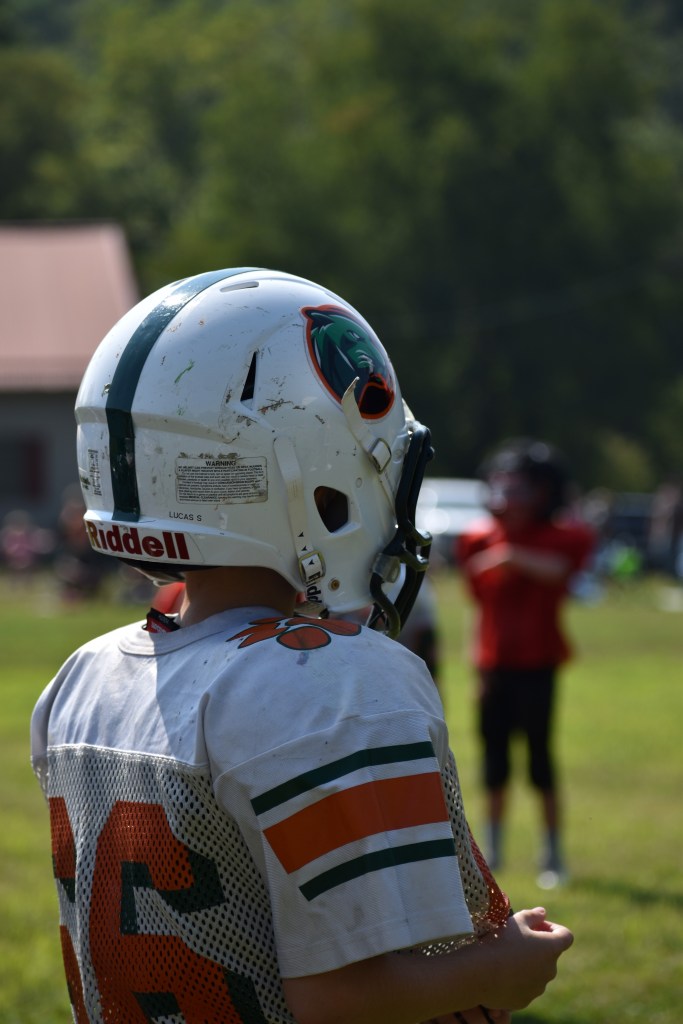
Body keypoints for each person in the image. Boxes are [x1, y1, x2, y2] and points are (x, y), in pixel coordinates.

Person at [31, 269, 573, 1024]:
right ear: (309, 474)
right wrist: (499, 970)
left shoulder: (81, 678)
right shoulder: (334, 683)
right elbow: (341, 998)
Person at [457, 439, 595, 889]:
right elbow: (478, 608)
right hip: (494, 664)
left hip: (538, 663)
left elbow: (561, 570)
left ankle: (552, 852)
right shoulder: (477, 538)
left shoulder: (561, 536)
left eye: (520, 489)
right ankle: (492, 850)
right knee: (494, 760)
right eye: (504, 488)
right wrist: (478, 666)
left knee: (539, 759)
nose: (509, 499)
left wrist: (512, 557)